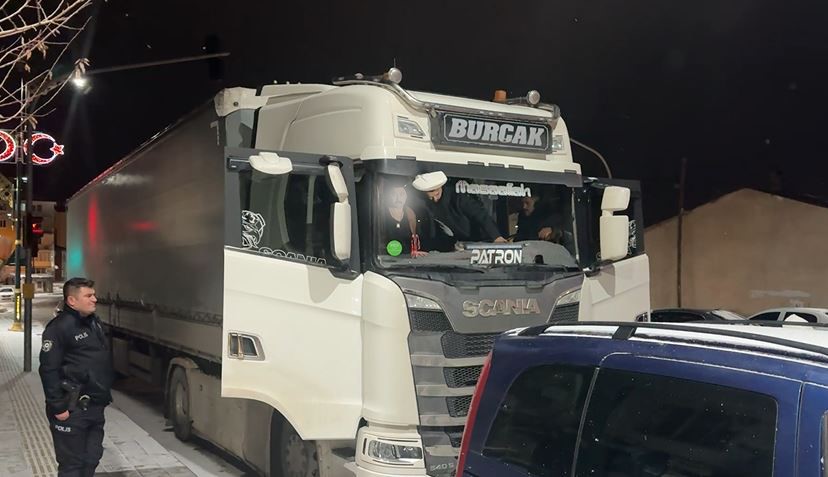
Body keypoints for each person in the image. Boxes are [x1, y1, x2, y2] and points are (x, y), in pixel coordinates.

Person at [39, 277, 113, 477]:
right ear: (72, 301)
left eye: (94, 295)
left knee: (91, 458)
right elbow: (48, 369)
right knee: (72, 466)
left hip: (94, 406)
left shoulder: (93, 323)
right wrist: (58, 407)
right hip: (71, 408)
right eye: (88, 296)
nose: (94, 299)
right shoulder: (59, 328)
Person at [412, 172, 507, 251]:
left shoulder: (458, 197)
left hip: (476, 242)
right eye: (431, 198)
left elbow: (480, 215)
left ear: (440, 187)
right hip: (450, 247)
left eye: (437, 195)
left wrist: (496, 237)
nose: (435, 199)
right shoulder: (423, 204)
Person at [381, 179, 427, 257]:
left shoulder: (410, 213)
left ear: (406, 196)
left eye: (401, 194)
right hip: (387, 258)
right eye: (394, 194)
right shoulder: (381, 213)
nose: (398, 198)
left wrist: (415, 251)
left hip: (406, 258)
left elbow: (414, 238)